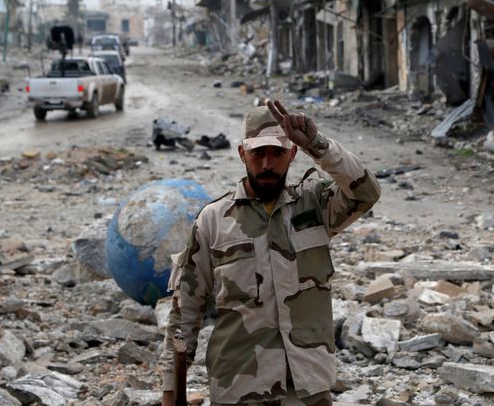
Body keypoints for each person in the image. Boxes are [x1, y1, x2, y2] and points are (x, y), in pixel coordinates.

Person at [159, 100, 381, 406]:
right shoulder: (213, 220)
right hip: (239, 387)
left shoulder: (315, 205)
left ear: (291, 153)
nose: (266, 164)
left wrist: (317, 146)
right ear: (242, 154)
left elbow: (366, 192)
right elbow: (184, 313)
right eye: (257, 153)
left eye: (277, 153)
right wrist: (171, 393)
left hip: (307, 387)